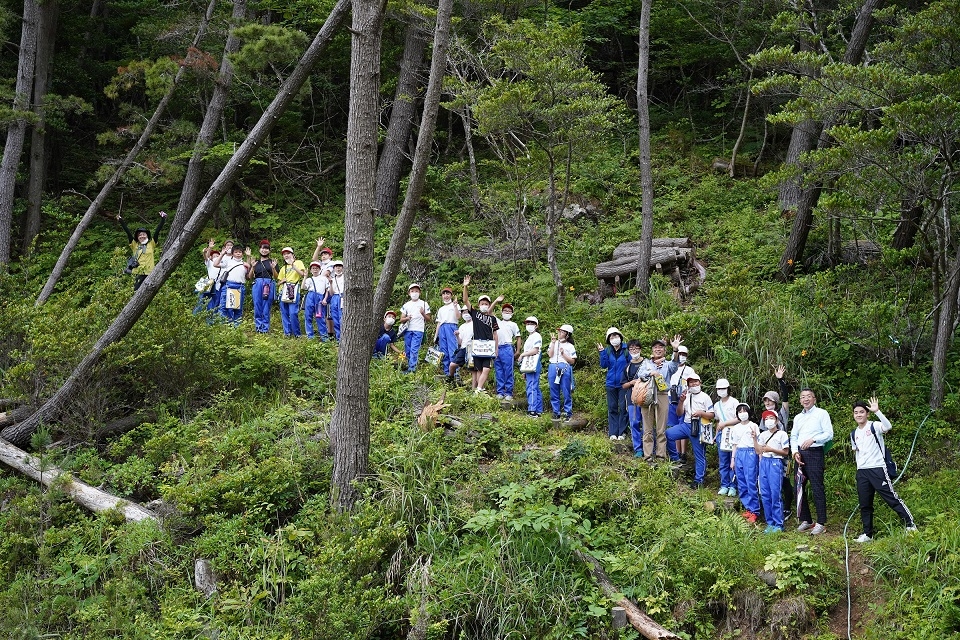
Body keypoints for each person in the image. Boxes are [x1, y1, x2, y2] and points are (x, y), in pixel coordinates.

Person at [850, 397, 916, 542]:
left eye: (862, 412)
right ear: (853, 415)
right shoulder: (853, 433)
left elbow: (888, 426)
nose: (859, 415)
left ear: (867, 413)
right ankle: (868, 534)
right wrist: (859, 469)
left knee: (891, 498)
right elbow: (857, 453)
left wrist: (877, 411)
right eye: (856, 412)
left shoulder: (875, 426)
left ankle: (910, 526)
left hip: (878, 469)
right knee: (865, 504)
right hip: (862, 472)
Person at [792, 388, 834, 536]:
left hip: (815, 453)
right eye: (802, 397)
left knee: (817, 487)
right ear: (800, 400)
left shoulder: (821, 413)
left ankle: (821, 522)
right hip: (800, 455)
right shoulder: (797, 417)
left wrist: (814, 439)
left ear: (814, 399)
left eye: (809, 396)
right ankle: (807, 520)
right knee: (798, 487)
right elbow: (793, 436)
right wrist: (795, 452)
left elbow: (829, 434)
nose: (805, 399)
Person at [635, 336, 681, 462]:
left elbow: (675, 365)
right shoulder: (646, 363)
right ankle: (648, 456)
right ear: (652, 350)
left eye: (661, 347)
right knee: (647, 428)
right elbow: (640, 374)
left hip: (662, 395)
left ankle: (661, 456)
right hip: (647, 395)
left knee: (661, 429)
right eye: (655, 347)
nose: (658, 349)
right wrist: (651, 373)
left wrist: (675, 350)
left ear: (665, 350)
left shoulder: (668, 365)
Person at [669, 373, 714, 489]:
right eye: (691, 382)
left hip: (699, 426)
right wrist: (681, 401)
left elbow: (711, 415)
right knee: (668, 434)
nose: (693, 384)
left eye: (696, 381)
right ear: (688, 384)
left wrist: (701, 413)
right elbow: (679, 413)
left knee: (699, 455)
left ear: (700, 382)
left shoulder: (705, 397)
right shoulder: (686, 396)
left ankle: (698, 480)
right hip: (686, 424)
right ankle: (675, 459)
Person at [461, 276, 499, 394]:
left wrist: (496, 348)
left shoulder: (492, 318)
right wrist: (465, 286)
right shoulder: (475, 314)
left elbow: (495, 334)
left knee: (487, 369)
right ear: (479, 304)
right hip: (477, 345)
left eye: (486, 303)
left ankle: (478, 389)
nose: (484, 305)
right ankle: (480, 389)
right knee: (478, 370)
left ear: (489, 305)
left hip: (488, 347)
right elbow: (465, 301)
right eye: (482, 303)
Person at [755, 409, 790, 533]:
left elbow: (786, 452)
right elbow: (758, 451)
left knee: (775, 493)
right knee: (765, 494)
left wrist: (771, 449)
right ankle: (770, 523)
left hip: (775, 462)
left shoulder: (782, 434)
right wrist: (754, 439)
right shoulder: (763, 434)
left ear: (776, 420)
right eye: (766, 419)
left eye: (771, 418)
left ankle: (779, 523)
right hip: (764, 462)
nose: (768, 421)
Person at [118, 210, 166, 290]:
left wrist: (163, 219)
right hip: (137, 273)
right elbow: (128, 232)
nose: (142, 236)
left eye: (144, 234)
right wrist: (121, 221)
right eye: (140, 235)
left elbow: (157, 231)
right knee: (136, 292)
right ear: (137, 237)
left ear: (147, 236)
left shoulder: (151, 244)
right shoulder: (134, 245)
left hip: (149, 273)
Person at [706, 378, 738, 496]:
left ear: (728, 389)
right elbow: (717, 422)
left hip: (733, 434)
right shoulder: (716, 405)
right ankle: (724, 485)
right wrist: (715, 436)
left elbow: (739, 418)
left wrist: (725, 423)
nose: (721, 391)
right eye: (719, 389)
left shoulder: (734, 402)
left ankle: (733, 486)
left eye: (723, 388)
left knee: (733, 461)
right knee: (723, 462)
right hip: (722, 436)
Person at [730, 403, 761, 523]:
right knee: (741, 482)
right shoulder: (736, 427)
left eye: (744, 411)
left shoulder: (753, 426)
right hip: (739, 454)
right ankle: (748, 508)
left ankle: (755, 511)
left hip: (751, 453)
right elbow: (734, 444)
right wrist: (733, 459)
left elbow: (758, 442)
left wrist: (759, 457)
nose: (742, 413)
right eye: (740, 411)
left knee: (751, 481)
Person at [598, 327, 630, 440]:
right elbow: (604, 365)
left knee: (623, 407)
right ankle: (613, 432)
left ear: (620, 337)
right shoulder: (607, 350)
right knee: (612, 407)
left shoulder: (627, 350)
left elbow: (631, 364)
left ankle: (622, 432)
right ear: (609, 340)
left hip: (623, 384)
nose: (614, 338)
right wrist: (602, 353)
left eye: (616, 336)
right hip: (611, 383)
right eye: (612, 337)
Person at [213, 244, 251, 325]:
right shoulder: (228, 262)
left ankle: (236, 328)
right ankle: (222, 326)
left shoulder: (244, 264)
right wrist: (222, 254)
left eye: (240, 252)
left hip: (240, 287)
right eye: (236, 252)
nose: (238, 254)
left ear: (242, 253)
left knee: (238, 309)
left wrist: (248, 257)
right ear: (233, 253)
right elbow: (215, 264)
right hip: (228, 286)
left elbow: (248, 273)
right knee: (224, 307)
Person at [621, 340, 646, 458]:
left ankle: (650, 447)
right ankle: (638, 449)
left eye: (636, 349)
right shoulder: (627, 367)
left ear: (640, 349)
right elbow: (623, 385)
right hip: (632, 399)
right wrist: (632, 382)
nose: (634, 351)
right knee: (635, 423)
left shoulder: (647, 363)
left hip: (647, 398)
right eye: (631, 349)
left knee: (648, 424)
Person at [400, 283, 432, 373]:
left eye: (416, 291)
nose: (414, 293)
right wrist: (407, 318)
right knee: (408, 349)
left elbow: (429, 319)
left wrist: (423, 313)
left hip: (419, 330)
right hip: (408, 330)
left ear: (420, 292)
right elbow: (401, 319)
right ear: (409, 293)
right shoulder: (406, 305)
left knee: (414, 349)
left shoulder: (424, 304)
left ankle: (412, 369)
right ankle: (410, 367)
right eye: (412, 291)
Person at [515, 316, 544, 417]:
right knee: (534, 386)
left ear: (536, 326)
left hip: (534, 363)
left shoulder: (537, 336)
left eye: (531, 323)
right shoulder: (530, 337)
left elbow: (535, 350)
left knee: (531, 387)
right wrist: (523, 370)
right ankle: (539, 410)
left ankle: (532, 410)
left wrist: (522, 354)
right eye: (527, 323)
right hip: (529, 364)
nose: (529, 325)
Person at [493, 300, 521, 400]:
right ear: (501, 312)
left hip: (507, 348)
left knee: (508, 371)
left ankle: (508, 392)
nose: (507, 312)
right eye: (505, 310)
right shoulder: (497, 321)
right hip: (497, 348)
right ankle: (500, 392)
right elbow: (489, 311)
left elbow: (518, 337)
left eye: (509, 311)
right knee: (499, 371)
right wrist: (496, 301)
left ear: (512, 313)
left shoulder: (513, 324)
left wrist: (518, 351)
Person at [547, 324, 577, 419]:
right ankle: (556, 411)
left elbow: (572, 361)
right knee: (553, 389)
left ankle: (568, 411)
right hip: (553, 366)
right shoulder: (554, 343)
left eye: (562, 332)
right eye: (559, 331)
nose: (560, 333)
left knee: (566, 390)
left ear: (567, 335)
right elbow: (550, 355)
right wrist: (552, 343)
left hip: (565, 367)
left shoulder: (570, 346)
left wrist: (563, 354)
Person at [276, 247, 306, 337]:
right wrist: (282, 281)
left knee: (293, 312)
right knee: (284, 313)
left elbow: (302, 274)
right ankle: (287, 333)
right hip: (283, 291)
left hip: (293, 289)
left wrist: (293, 265)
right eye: (284, 254)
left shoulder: (298, 263)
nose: (286, 255)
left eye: (288, 253)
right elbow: (278, 282)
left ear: (293, 254)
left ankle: (297, 333)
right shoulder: (283, 268)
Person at [249, 239, 278, 333]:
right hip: (257, 283)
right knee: (257, 305)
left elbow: (277, 277)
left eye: (266, 248)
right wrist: (252, 267)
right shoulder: (255, 262)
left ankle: (265, 328)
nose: (264, 250)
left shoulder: (272, 262)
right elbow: (249, 277)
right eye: (262, 248)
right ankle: (258, 327)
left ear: (269, 250)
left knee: (266, 305)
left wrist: (273, 268)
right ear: (259, 249)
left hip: (268, 283)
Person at [434, 287, 460, 373]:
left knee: (453, 350)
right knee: (444, 351)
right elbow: (439, 323)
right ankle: (447, 372)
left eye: (448, 294)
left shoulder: (455, 305)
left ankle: (455, 373)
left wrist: (455, 306)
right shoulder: (441, 309)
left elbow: (458, 317)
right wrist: (436, 336)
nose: (446, 296)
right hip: (442, 329)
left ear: (451, 295)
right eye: (444, 294)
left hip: (452, 327)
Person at [302, 261, 330, 340]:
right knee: (308, 316)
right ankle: (310, 336)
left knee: (320, 317)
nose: (315, 270)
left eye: (317, 268)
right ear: (311, 270)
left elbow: (327, 290)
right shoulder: (309, 279)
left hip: (319, 298)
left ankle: (324, 337)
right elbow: (303, 287)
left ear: (320, 269)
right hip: (310, 296)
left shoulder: (323, 278)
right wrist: (305, 276)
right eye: (313, 268)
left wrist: (325, 299)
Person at [447, 305, 473, 385]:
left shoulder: (475, 323)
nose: (466, 314)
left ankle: (475, 387)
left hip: (473, 348)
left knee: (474, 368)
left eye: (467, 312)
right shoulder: (462, 326)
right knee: (452, 365)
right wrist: (457, 335)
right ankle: (450, 379)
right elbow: (460, 343)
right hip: (463, 348)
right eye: (464, 312)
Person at [327, 260, 345, 341]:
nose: (338, 268)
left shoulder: (346, 277)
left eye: (340, 266)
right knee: (335, 318)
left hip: (343, 297)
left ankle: (344, 338)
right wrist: (330, 283)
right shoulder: (332, 279)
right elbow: (331, 293)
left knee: (342, 318)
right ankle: (338, 338)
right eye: (336, 267)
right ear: (334, 268)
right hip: (334, 298)